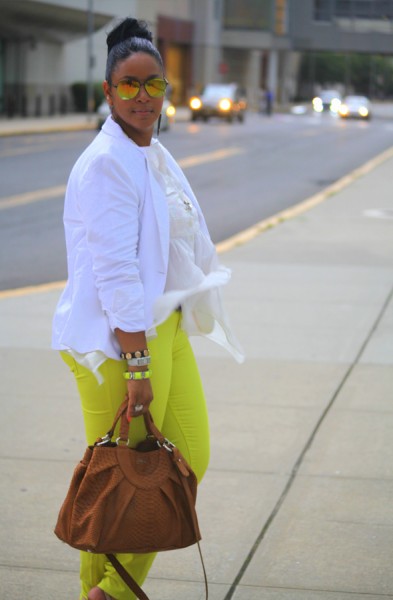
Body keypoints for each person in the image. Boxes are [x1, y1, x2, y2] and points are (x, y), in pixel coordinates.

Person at [52, 16, 243, 600]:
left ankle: (108, 590)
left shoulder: (150, 154)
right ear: (108, 92)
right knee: (118, 487)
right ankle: (106, 592)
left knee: (186, 463)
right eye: (128, 85)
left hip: (166, 327)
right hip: (120, 344)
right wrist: (136, 363)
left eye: (153, 85)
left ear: (166, 92)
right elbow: (115, 271)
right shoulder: (109, 162)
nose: (142, 97)